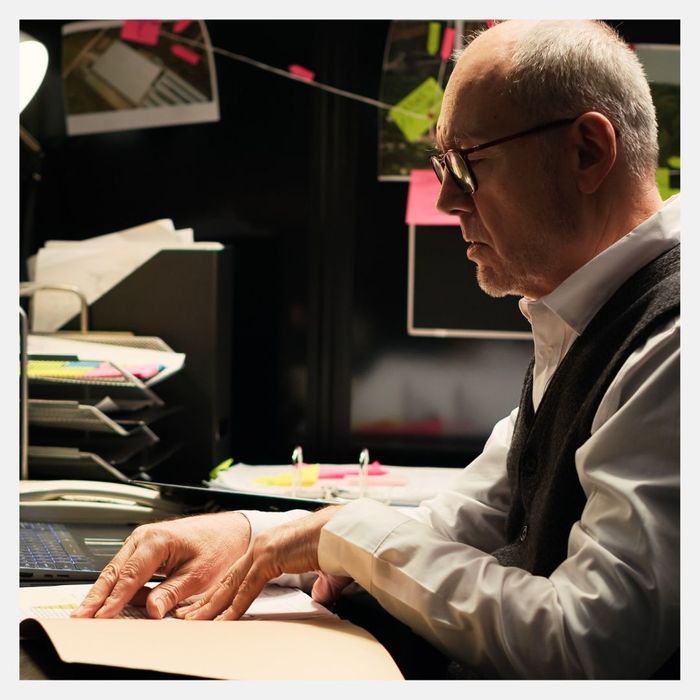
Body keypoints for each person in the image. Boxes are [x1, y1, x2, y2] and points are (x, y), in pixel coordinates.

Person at [72, 19, 679, 680]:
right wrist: (253, 536)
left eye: (469, 163)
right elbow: (461, 521)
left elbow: (589, 641)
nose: (449, 198)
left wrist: (341, 535)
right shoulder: (586, 315)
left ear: (588, 151)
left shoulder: (672, 341)